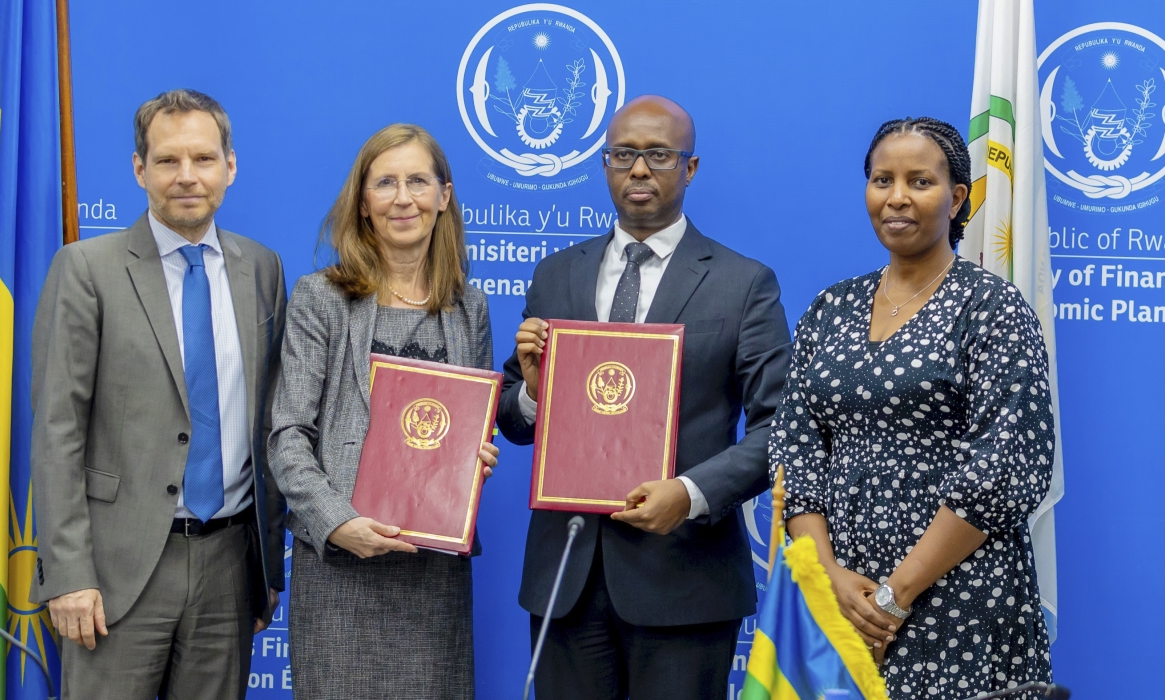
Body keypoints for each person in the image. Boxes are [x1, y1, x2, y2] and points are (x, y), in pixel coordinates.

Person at [496, 95, 793, 699]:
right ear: (604, 164)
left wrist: (688, 495)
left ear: (690, 167)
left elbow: (780, 427)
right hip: (567, 576)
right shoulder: (557, 274)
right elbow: (514, 419)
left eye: (658, 155)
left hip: (685, 574)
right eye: (623, 154)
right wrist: (530, 392)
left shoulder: (743, 283)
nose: (638, 170)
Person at [773, 117, 1055, 698]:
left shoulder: (990, 307)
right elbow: (794, 452)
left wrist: (894, 595)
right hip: (840, 599)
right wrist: (829, 578)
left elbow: (1003, 468)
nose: (896, 197)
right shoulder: (832, 306)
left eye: (919, 182)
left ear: (956, 199)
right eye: (882, 179)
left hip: (957, 598)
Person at [30, 89, 287, 699]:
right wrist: (68, 573)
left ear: (231, 165)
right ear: (139, 169)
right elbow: (56, 430)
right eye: (168, 161)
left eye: (203, 158)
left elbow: (270, 421)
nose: (187, 177)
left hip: (230, 565)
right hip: (115, 574)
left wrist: (265, 568)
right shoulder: (87, 268)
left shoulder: (263, 269)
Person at [268, 123, 499, 699]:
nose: (403, 198)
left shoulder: (469, 305)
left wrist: (478, 456)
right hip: (342, 567)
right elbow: (288, 435)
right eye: (385, 183)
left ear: (444, 196)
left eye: (418, 181)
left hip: (434, 576)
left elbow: (473, 420)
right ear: (363, 203)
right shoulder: (321, 297)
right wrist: (336, 523)